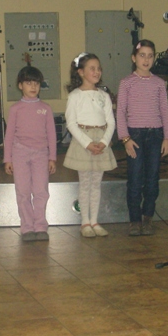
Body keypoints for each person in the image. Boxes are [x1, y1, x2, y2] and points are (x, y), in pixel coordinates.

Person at [117, 40, 168, 236]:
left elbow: (164, 111)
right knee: (134, 178)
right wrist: (125, 138)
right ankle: (134, 219)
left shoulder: (159, 83)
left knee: (152, 178)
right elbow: (120, 112)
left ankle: (147, 216)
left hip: (155, 135)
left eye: (150, 56)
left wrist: (167, 137)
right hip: (135, 135)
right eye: (142, 55)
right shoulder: (126, 83)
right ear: (134, 58)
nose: (146, 59)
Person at [64, 52, 117, 238]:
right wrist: (87, 143)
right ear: (81, 72)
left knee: (96, 184)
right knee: (85, 183)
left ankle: (94, 220)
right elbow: (71, 123)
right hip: (83, 142)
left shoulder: (104, 95)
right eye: (92, 68)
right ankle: (84, 222)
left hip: (101, 141)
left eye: (98, 68)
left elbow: (111, 122)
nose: (97, 72)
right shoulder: (75, 96)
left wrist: (103, 142)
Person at [4, 66, 57, 242]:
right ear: (20, 85)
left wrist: (52, 157)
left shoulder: (45, 108)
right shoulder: (15, 109)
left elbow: (51, 135)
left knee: (41, 191)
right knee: (23, 191)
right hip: (20, 153)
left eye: (36, 83)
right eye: (28, 83)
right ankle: (27, 226)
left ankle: (40, 226)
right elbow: (9, 135)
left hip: (41, 154)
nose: (33, 86)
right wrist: (7, 159)